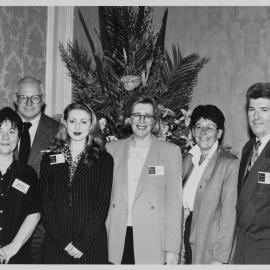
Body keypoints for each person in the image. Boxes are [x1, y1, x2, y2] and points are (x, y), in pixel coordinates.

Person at [106, 95, 182, 264]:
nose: (142, 120)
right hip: (117, 237)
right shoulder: (111, 150)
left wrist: (172, 249)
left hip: (152, 238)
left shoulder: (170, 152)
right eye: (136, 115)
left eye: (147, 116)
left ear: (154, 121)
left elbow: (174, 205)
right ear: (129, 118)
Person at [40, 102, 113, 264]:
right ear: (65, 123)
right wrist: (63, 243)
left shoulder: (104, 160)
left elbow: (102, 205)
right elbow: (46, 204)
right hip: (56, 245)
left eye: (83, 122)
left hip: (91, 245)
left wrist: (82, 244)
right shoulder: (48, 159)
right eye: (72, 121)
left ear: (91, 126)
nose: (77, 126)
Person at [181, 104, 239, 264]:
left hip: (210, 244)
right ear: (192, 131)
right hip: (185, 237)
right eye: (198, 126)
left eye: (210, 127)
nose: (203, 132)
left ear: (219, 133)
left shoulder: (229, 164)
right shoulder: (187, 160)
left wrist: (220, 259)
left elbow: (229, 217)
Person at [14, 76, 59, 263]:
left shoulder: (59, 131)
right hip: (6, 218)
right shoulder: (3, 128)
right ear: (16, 99)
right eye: (24, 97)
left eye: (35, 97)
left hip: (42, 225)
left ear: (44, 99)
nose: (29, 103)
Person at [233, 82, 270, 264]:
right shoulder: (248, 148)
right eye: (251, 109)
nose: (256, 117)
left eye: (264, 109)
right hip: (242, 246)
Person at [0, 107, 40, 264]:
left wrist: (12, 247)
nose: (5, 137)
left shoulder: (28, 174)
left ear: (18, 137)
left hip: (18, 258)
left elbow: (34, 213)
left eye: (11, 132)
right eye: (0, 130)